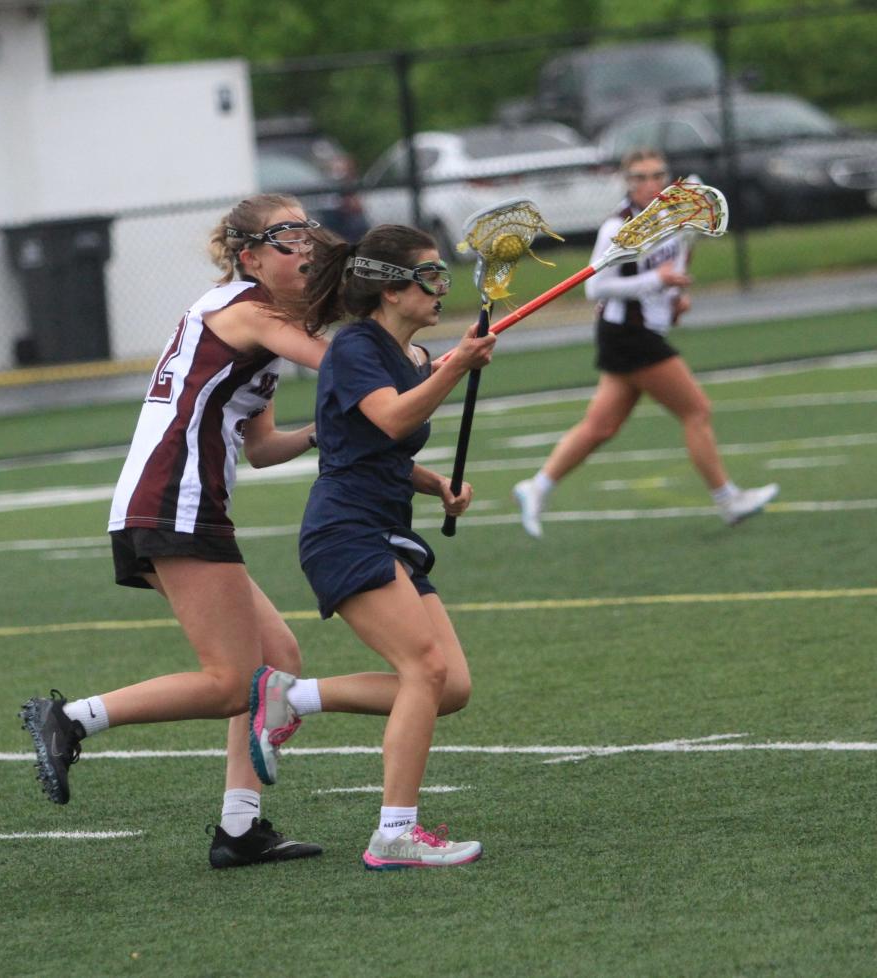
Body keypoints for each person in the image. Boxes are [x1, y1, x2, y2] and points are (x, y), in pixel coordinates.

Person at [19, 194, 331, 869]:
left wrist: (321, 432)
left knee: (276, 660)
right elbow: (341, 364)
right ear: (249, 256)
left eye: (309, 231)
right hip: (174, 502)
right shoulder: (248, 311)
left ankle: (240, 829)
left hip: (178, 503)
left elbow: (266, 445)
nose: (306, 246)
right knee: (232, 682)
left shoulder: (258, 323)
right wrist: (426, 361)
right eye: (287, 238)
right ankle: (71, 720)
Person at [247, 225, 496, 870]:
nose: (441, 288)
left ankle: (292, 698)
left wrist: (435, 481)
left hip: (386, 525)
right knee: (425, 671)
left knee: (452, 686)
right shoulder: (355, 347)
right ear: (389, 289)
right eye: (430, 276)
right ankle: (394, 833)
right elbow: (390, 418)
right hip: (345, 530)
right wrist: (458, 369)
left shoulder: (410, 358)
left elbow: (367, 443)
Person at [512, 148, 779, 537]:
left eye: (657, 175)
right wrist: (658, 283)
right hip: (627, 335)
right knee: (696, 410)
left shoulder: (670, 219)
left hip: (641, 333)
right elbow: (595, 288)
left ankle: (537, 486)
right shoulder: (616, 228)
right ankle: (728, 500)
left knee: (600, 427)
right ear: (627, 182)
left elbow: (672, 266)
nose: (651, 184)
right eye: (640, 177)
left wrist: (673, 297)